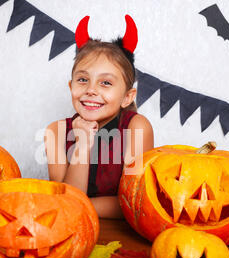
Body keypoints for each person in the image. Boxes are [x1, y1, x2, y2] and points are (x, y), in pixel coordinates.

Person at [44, 15, 154, 219]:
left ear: (127, 97)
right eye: (83, 79)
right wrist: (82, 145)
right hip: (70, 230)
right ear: (71, 87)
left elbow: (133, 202)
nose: (91, 90)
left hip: (119, 236)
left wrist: (78, 205)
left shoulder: (137, 128)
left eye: (106, 83)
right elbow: (65, 199)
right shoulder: (55, 132)